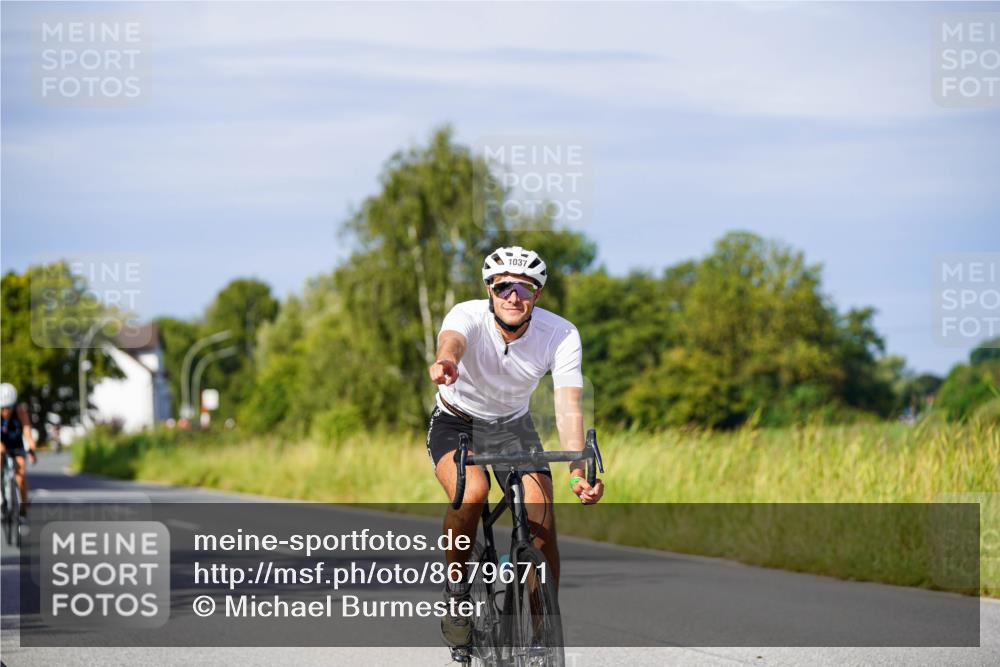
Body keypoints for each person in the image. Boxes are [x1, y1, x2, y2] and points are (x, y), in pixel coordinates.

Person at [426, 246, 605, 651]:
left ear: (537, 295)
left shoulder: (561, 334)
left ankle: (543, 640)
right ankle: (456, 595)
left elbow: (568, 406)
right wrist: (446, 361)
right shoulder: (466, 315)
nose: (513, 296)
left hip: (512, 426)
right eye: (503, 286)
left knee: (541, 519)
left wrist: (578, 470)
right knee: (471, 493)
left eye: (524, 288)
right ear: (490, 289)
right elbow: (452, 341)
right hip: (458, 422)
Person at [0, 382, 37, 519]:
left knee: (21, 475)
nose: (5, 412)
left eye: (9, 408)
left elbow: (27, 431)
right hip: (2, 444)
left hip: (16, 445)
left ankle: (23, 505)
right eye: (2, 408)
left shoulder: (20, 411)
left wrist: (32, 450)